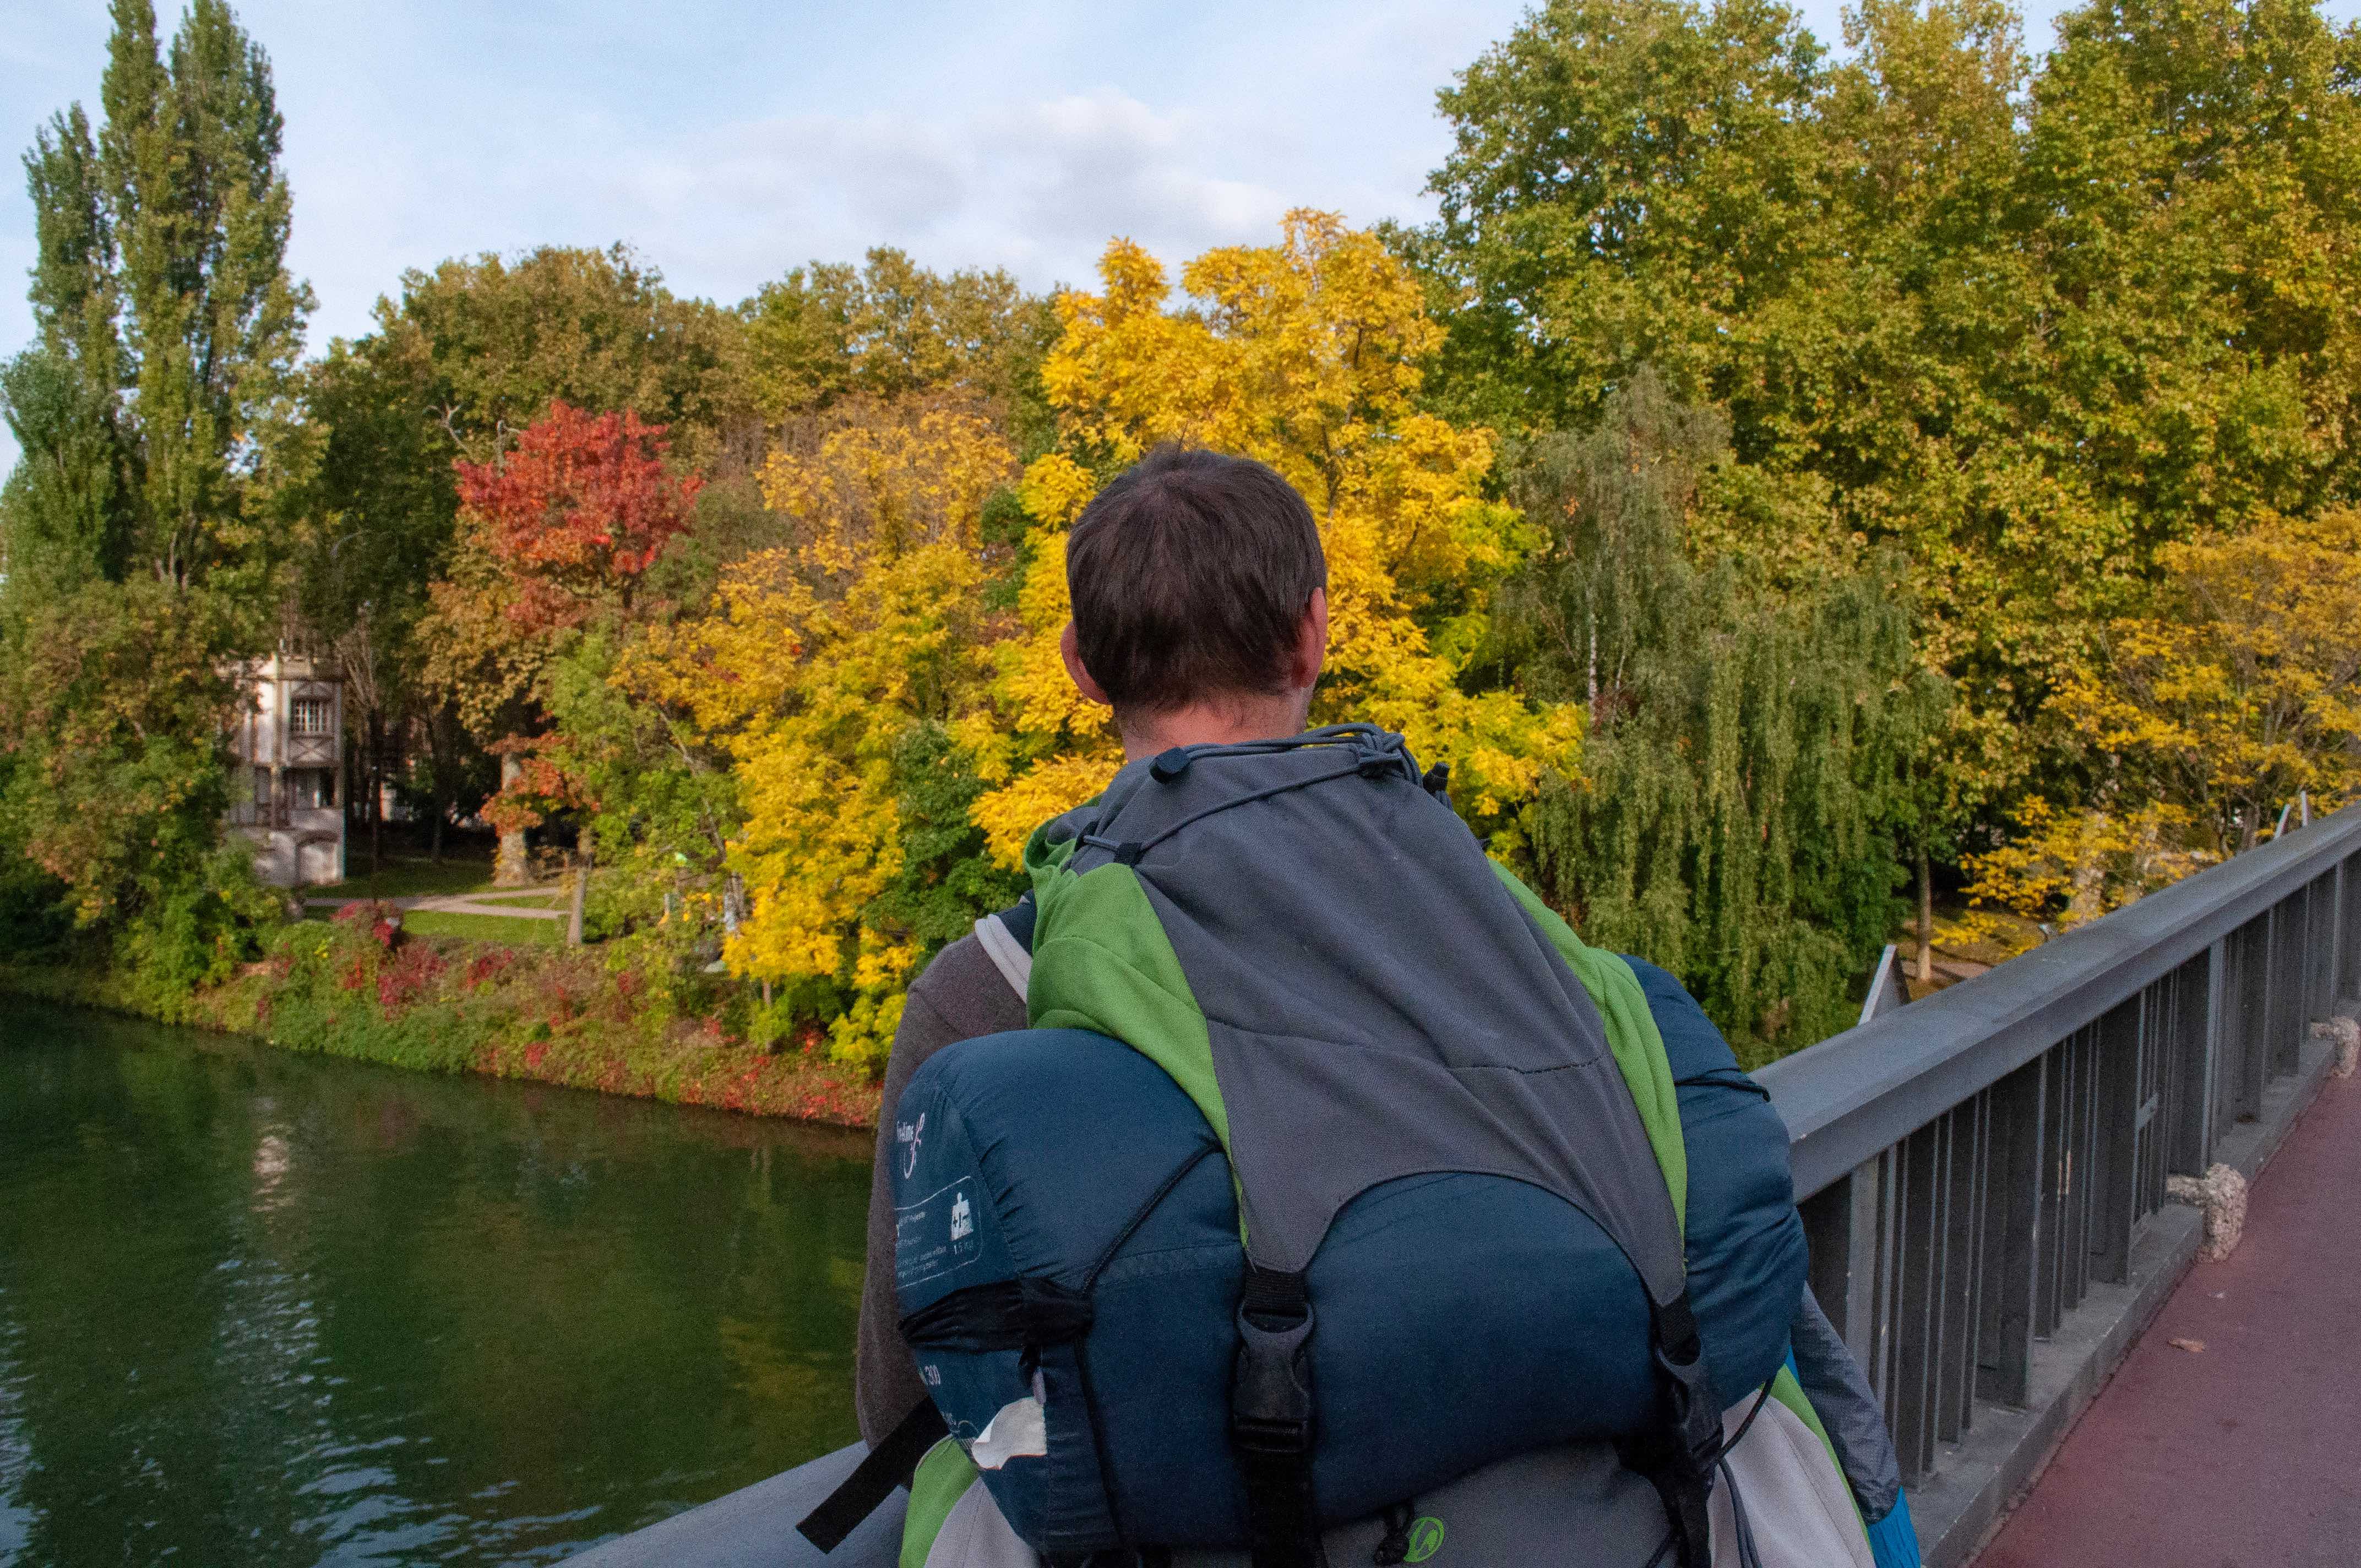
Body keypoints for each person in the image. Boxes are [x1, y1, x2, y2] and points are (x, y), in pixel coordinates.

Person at [851, 446, 1917, 1567]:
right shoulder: (1495, 928)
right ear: (1313, 632)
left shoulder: (984, 990)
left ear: (1078, 665)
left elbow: (904, 1397)